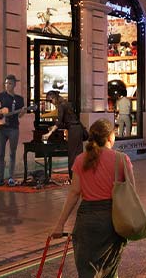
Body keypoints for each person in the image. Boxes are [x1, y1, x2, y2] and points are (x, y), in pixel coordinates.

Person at [51, 119, 129, 278]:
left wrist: (60, 224)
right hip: (112, 222)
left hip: (86, 222)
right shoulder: (121, 160)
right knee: (110, 272)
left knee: (87, 272)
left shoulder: (80, 160)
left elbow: (74, 194)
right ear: (109, 137)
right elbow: (130, 193)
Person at [0, 74, 27, 187]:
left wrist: (23, 111)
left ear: (14, 85)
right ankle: (0, 177)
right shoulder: (2, 96)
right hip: (2, 128)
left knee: (12, 153)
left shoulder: (19, 99)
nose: (7, 85)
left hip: (14, 128)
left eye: (9, 83)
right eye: (6, 83)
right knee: (0, 153)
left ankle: (11, 178)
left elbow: (20, 116)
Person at [43, 90, 86, 179]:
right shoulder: (65, 104)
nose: (51, 103)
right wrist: (54, 128)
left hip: (74, 130)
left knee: (72, 155)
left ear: (54, 98)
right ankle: (79, 176)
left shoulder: (61, 106)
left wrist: (49, 133)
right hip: (77, 129)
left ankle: (72, 177)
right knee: (78, 154)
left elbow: (59, 121)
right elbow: (66, 121)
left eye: (50, 101)